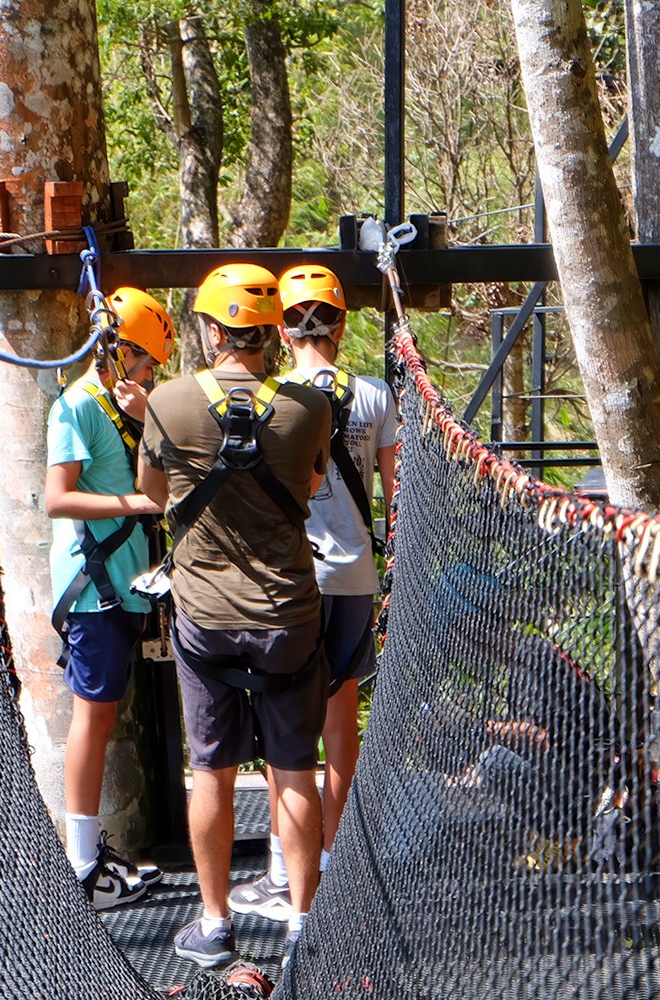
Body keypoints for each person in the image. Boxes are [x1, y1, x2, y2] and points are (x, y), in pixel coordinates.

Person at [137, 263, 332, 968]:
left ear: (212, 330)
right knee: (293, 767)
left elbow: (152, 491)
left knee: (213, 768)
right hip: (287, 615)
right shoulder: (311, 406)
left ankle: (215, 921)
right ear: (269, 331)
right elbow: (310, 484)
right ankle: (304, 923)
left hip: (206, 618)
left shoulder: (168, 401)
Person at [227, 264, 398, 923]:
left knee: (284, 725)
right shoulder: (377, 396)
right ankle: (331, 863)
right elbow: (397, 492)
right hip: (353, 575)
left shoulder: (265, 396)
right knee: (339, 724)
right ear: (342, 323)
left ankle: (282, 870)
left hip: (289, 580)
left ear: (280, 326)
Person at [45, 286, 175, 910]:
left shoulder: (130, 408)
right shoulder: (75, 407)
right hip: (94, 588)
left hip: (125, 584)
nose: (151, 373)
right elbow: (57, 498)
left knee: (103, 714)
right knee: (92, 719)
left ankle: (91, 856)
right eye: (147, 361)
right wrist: (136, 505)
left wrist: (152, 415)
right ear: (120, 353)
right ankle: (80, 866)